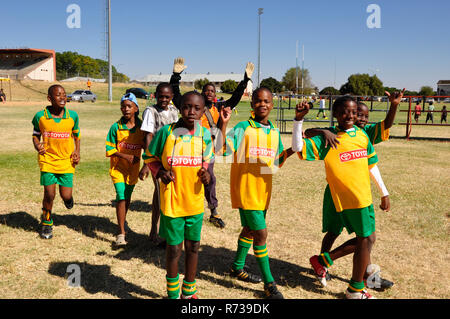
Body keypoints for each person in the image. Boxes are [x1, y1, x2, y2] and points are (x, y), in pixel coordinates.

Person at [292, 96, 383, 299]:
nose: (349, 115)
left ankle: (329, 265)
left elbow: (371, 164)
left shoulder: (361, 135)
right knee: (364, 239)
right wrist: (298, 121)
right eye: (344, 112)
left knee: (368, 239)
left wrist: (384, 193)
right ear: (335, 115)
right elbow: (299, 148)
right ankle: (355, 288)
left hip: (364, 198)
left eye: (353, 112)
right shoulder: (329, 138)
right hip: (347, 199)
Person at [219, 87, 294, 299]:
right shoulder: (244, 127)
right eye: (258, 101)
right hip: (246, 189)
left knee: (250, 230)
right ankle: (270, 285)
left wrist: (289, 151)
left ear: (272, 104)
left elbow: (275, 164)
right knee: (261, 234)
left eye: (267, 101)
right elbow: (221, 149)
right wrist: (224, 124)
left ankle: (236, 267)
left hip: (263, 191)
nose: (263, 104)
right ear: (252, 104)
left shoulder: (274, 132)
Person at [142, 91, 213, 299]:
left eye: (197, 108)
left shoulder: (205, 135)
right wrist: (161, 172)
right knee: (174, 250)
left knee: (194, 247)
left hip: (194, 201)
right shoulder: (166, 132)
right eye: (187, 107)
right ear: (180, 108)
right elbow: (150, 158)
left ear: (202, 111)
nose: (191, 111)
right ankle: (173, 295)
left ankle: (188, 291)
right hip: (173, 202)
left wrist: (206, 174)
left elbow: (206, 161)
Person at [170, 57, 254, 229]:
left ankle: (213, 211)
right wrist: (176, 76)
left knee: (209, 178)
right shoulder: (192, 107)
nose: (209, 93)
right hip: (188, 147)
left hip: (207, 149)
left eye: (212, 91)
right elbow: (176, 96)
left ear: (215, 95)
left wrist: (245, 80)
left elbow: (236, 98)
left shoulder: (219, 107)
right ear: (201, 93)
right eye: (206, 90)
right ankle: (182, 205)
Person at [31, 84, 81, 239]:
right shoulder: (40, 116)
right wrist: (37, 145)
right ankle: (47, 223)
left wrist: (77, 151)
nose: (62, 97)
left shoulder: (72, 116)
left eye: (64, 94)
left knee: (65, 195)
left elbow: (77, 135)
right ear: (49, 98)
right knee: (49, 194)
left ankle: (68, 199)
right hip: (48, 161)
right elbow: (35, 134)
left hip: (66, 162)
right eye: (58, 95)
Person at [139, 80, 179, 246]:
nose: (163, 99)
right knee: (161, 195)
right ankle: (158, 231)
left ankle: (162, 231)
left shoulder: (174, 111)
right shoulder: (151, 111)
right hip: (157, 160)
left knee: (165, 194)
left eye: (167, 97)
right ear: (156, 96)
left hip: (172, 158)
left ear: (171, 97)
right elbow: (148, 136)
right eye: (161, 96)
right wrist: (148, 163)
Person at [106, 93, 145, 247]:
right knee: (121, 196)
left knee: (127, 198)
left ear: (136, 108)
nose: (125, 109)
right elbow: (109, 147)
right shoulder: (115, 127)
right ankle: (121, 233)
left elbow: (147, 147)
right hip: (118, 169)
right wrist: (125, 156)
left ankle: (122, 220)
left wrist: (145, 166)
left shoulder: (142, 127)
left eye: (129, 106)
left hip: (133, 170)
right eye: (123, 106)